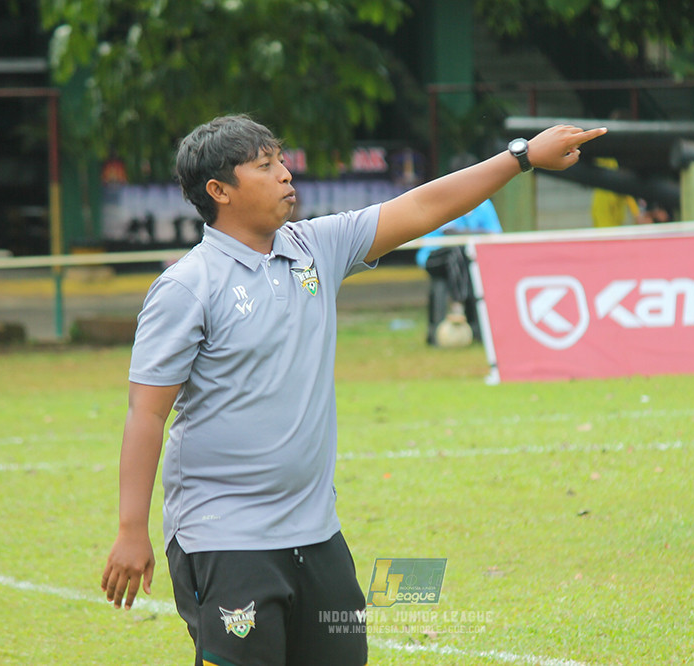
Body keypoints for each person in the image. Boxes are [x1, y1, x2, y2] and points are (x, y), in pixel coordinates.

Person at [99, 114, 606, 666]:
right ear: (219, 191)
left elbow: (424, 207)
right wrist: (131, 530)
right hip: (224, 538)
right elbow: (145, 414)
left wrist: (522, 157)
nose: (286, 175)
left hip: (316, 533)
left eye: (282, 160)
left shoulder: (316, 247)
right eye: (265, 166)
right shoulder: (186, 287)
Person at [415, 196, 502, 345]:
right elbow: (450, 233)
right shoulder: (448, 200)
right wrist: (479, 233)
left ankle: (475, 327)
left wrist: (467, 233)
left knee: (465, 257)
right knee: (456, 252)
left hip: (465, 259)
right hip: (433, 256)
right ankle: (457, 304)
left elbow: (495, 235)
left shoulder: (484, 204)